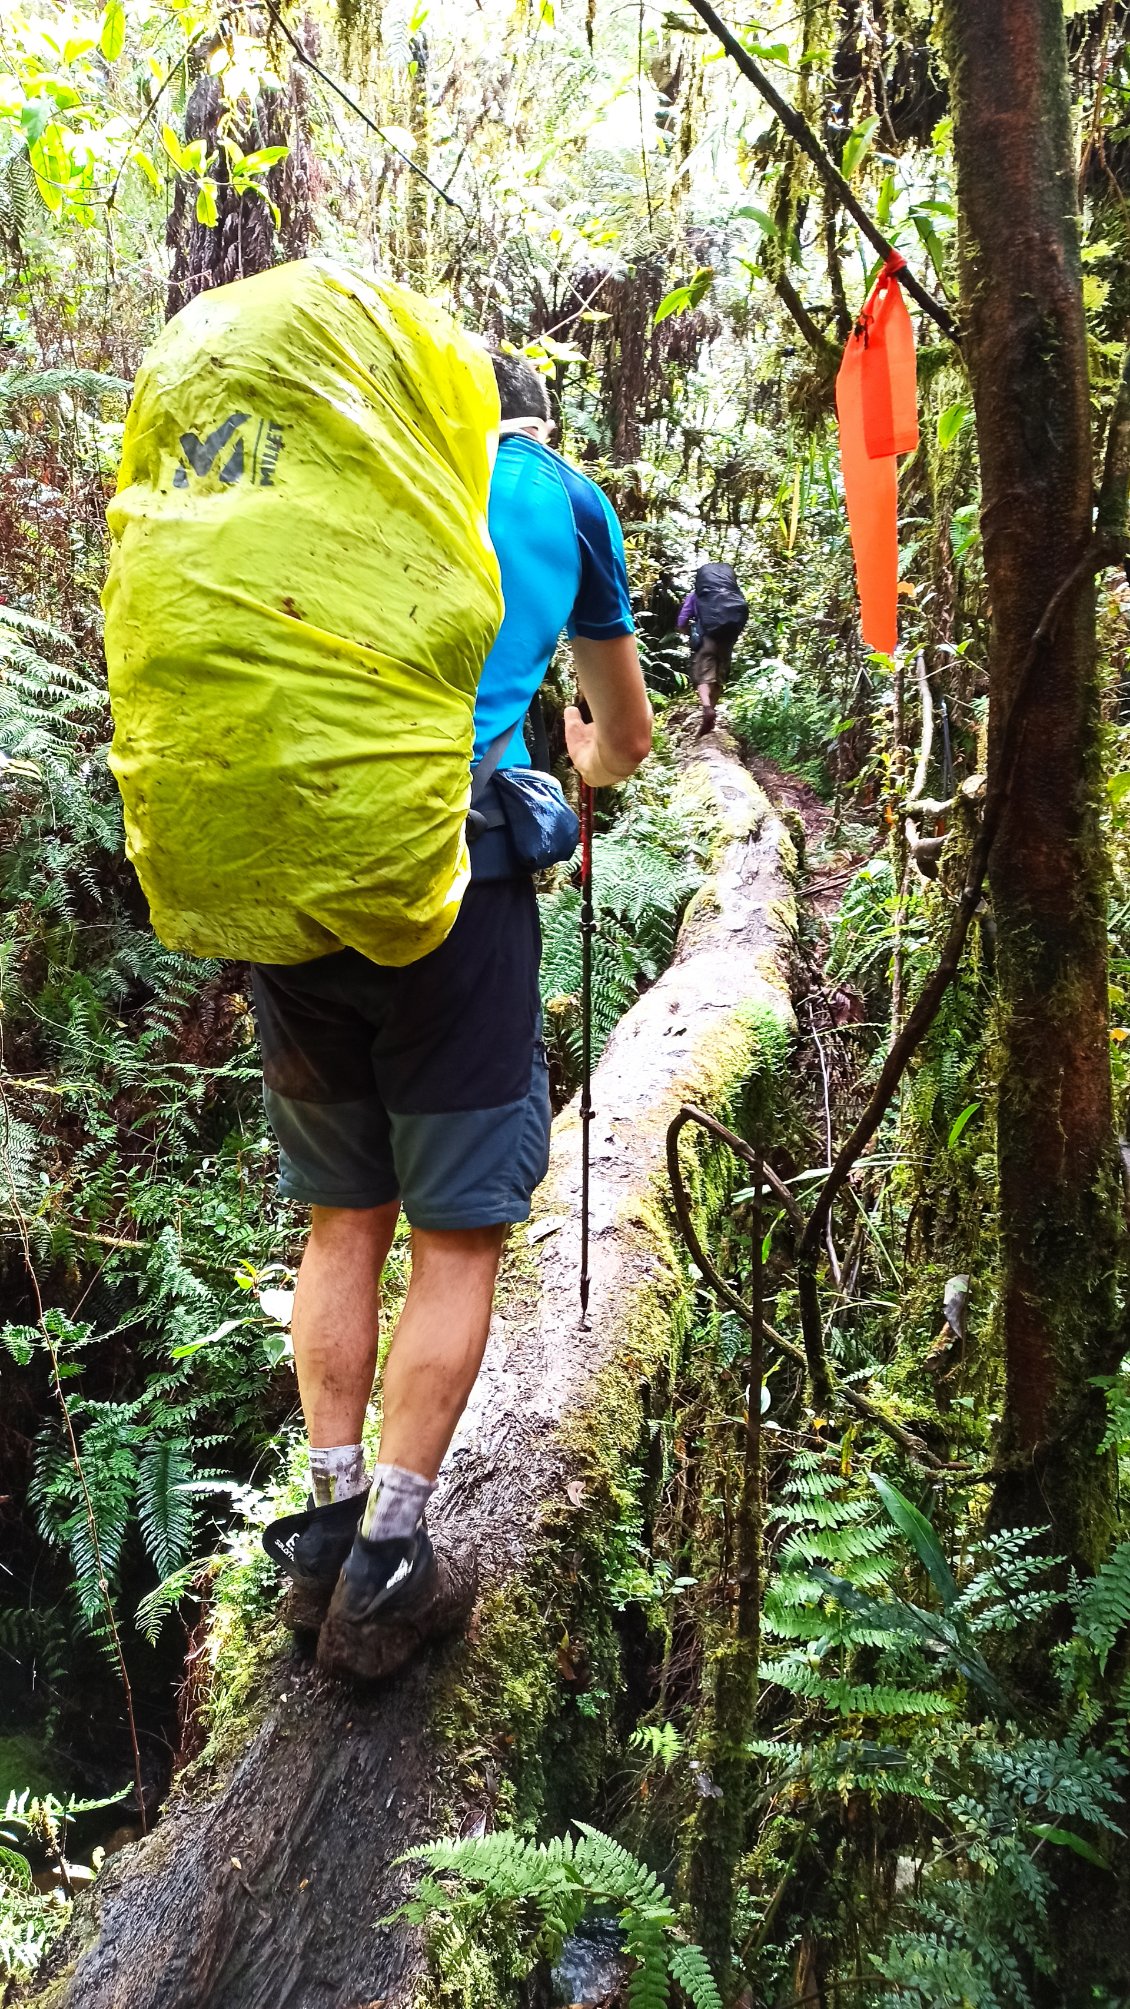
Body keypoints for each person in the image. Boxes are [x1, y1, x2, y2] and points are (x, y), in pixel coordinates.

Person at [262, 350, 653, 1683]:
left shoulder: (326, 468)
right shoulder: (553, 495)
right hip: (453, 901)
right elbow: (622, 732)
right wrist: (577, 768)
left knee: (341, 1218)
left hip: (292, 886)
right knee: (457, 1234)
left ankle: (319, 1523)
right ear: (516, 414)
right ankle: (388, 1561)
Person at [676, 560, 750, 734]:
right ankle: (712, 712)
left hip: (706, 638)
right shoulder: (734, 594)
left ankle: (707, 707)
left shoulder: (697, 596)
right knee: (719, 676)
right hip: (727, 641)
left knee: (702, 675)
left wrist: (688, 631)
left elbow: (682, 620)